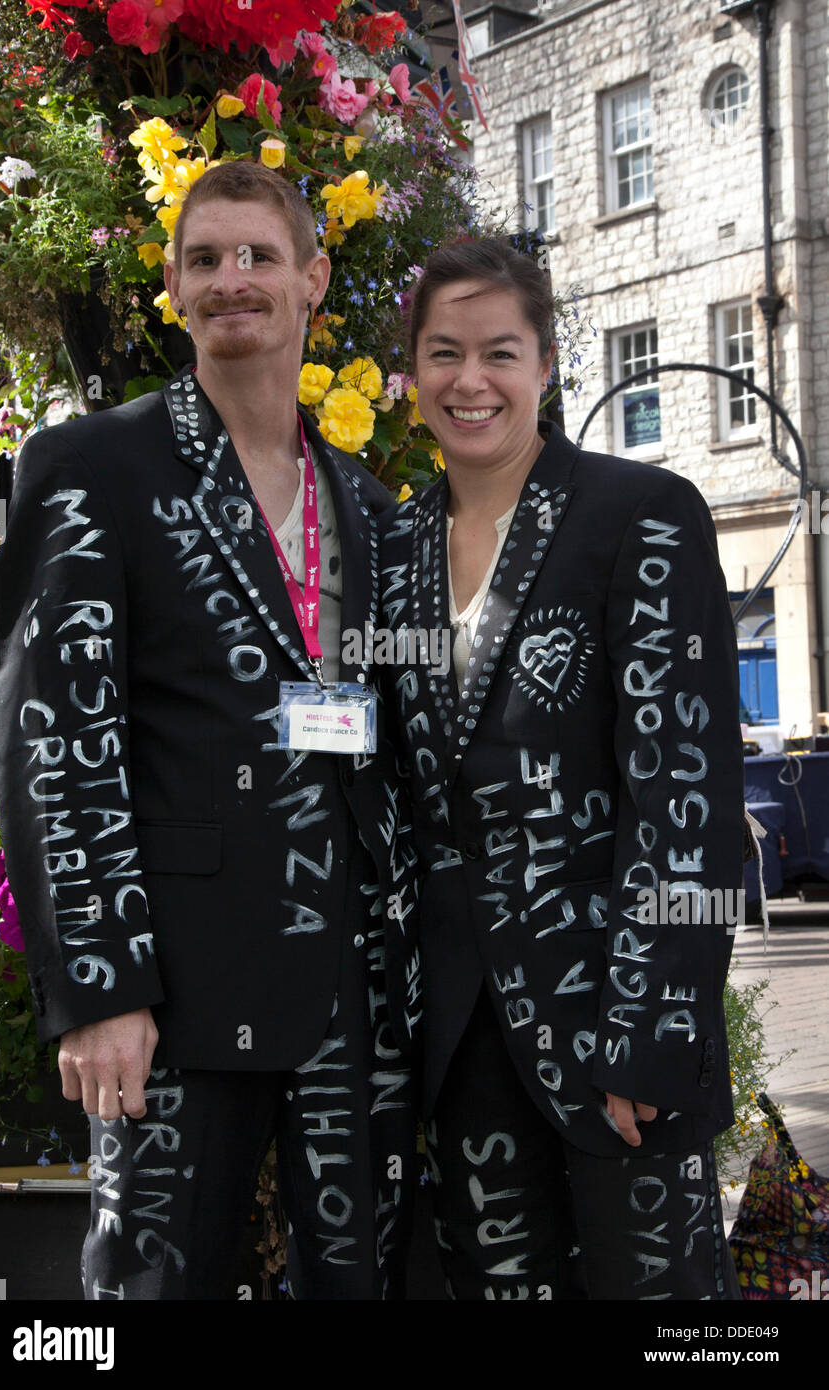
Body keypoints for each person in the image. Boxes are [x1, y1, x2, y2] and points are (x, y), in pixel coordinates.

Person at [0, 161, 421, 1301]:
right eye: (204, 260)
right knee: (146, 1290)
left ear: (312, 279)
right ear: (173, 292)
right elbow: (51, 743)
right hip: (174, 988)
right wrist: (97, 986)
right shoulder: (92, 469)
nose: (233, 281)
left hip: (350, 985)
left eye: (258, 257)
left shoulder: (371, 508)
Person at [380, 237, 745, 1301]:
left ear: (545, 363)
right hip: (455, 1042)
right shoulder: (394, 551)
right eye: (443, 353)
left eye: (499, 350)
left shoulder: (638, 515)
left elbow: (681, 798)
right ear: (411, 375)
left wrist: (649, 1032)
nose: (470, 380)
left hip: (610, 1023)